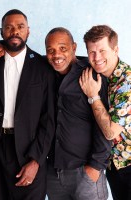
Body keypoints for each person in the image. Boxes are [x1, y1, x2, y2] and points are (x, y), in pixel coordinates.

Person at [0, 26, 111, 200]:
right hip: (54, 173)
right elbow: (20, 52)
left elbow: (103, 123)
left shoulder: (91, 76)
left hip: (84, 171)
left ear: (74, 48)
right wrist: (1, 43)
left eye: (63, 48)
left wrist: (96, 167)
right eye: (50, 50)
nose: (57, 55)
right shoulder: (44, 71)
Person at [0, 9, 55, 200]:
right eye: (9, 27)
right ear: (2, 33)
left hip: (30, 151)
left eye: (20, 27)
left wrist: (36, 161)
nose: (15, 31)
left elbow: (49, 120)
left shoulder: (43, 68)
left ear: (28, 31)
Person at [79, 25, 131, 200]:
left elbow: (110, 132)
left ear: (115, 50)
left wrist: (93, 95)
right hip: (115, 167)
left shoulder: (127, 83)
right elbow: (64, 60)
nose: (97, 58)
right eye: (91, 52)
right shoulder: (100, 73)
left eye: (102, 51)